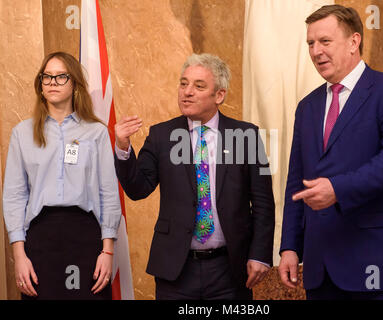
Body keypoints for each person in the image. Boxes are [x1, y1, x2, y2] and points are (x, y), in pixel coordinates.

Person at [279, 5, 383, 300]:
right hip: (321, 269)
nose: (316, 51)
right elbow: (297, 182)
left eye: (325, 41)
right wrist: (289, 247)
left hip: (381, 264)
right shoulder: (307, 107)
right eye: (310, 43)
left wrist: (338, 188)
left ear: (354, 41)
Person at [114, 53, 275, 300]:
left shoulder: (248, 136)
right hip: (176, 270)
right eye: (183, 83)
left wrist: (260, 254)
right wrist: (123, 148)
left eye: (199, 86)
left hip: (230, 269)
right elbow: (138, 189)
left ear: (219, 95)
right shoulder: (161, 135)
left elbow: (263, 203)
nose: (187, 92)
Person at [2, 52, 122, 300]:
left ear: (75, 83)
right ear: (40, 84)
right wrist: (20, 255)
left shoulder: (96, 132)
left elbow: (108, 193)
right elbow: (14, 196)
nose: (52, 83)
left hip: (86, 237)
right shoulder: (22, 133)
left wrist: (107, 251)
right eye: (47, 77)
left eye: (60, 77)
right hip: (39, 240)